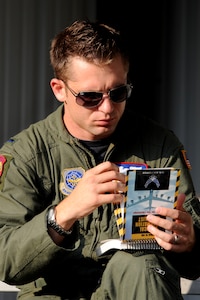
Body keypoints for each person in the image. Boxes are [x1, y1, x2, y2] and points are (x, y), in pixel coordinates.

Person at [0, 19, 200, 300]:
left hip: (136, 286)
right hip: (56, 291)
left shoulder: (159, 145)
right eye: (90, 97)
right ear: (59, 90)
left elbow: (195, 259)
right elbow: (6, 262)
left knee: (142, 266)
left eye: (118, 93)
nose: (107, 108)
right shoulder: (27, 153)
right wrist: (63, 214)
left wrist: (189, 241)